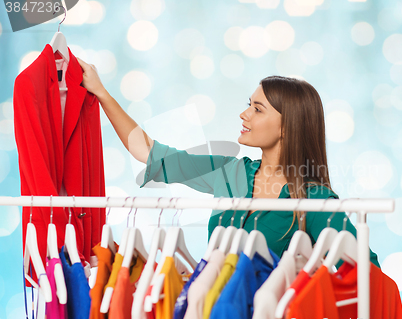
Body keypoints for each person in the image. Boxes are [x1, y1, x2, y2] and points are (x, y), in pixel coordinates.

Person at [76, 58, 380, 267]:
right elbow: (148, 153)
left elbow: (366, 272)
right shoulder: (228, 172)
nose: (244, 115)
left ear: (288, 126)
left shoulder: (314, 200)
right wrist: (101, 93)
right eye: (248, 105)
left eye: (257, 109)